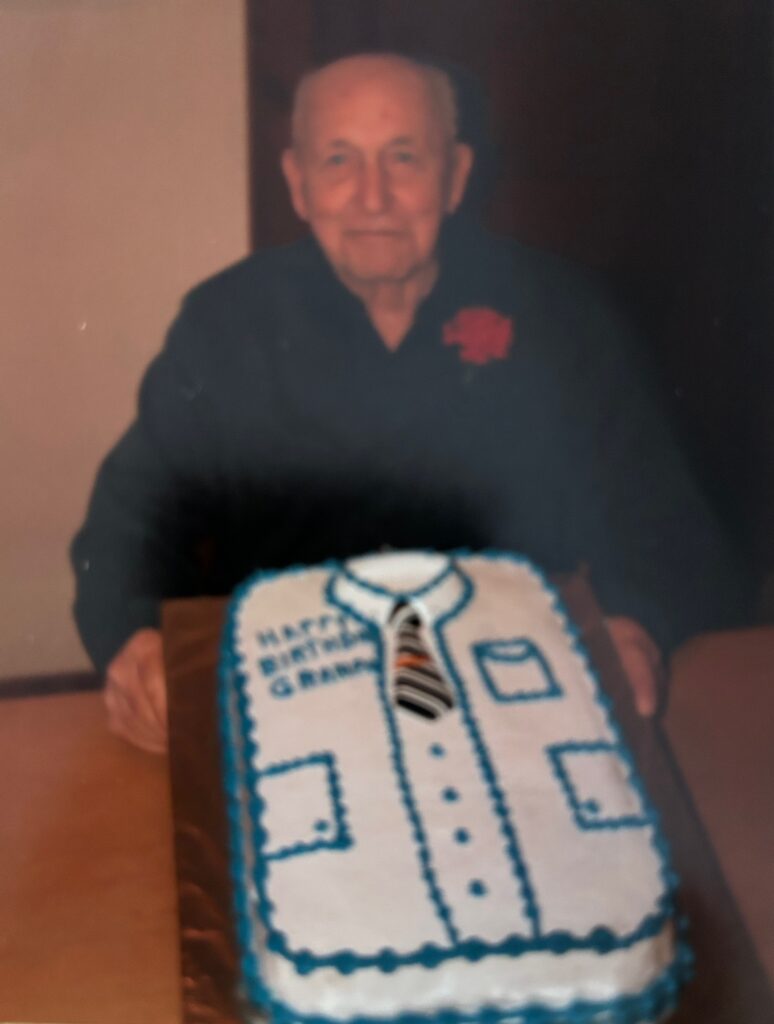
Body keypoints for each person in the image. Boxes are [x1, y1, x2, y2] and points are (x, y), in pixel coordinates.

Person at [71, 53, 747, 754]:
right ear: (297, 184)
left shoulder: (566, 316)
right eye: (338, 160)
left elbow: (672, 534)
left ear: (454, 177)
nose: (372, 197)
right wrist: (133, 639)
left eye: (404, 158)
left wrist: (635, 622)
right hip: (291, 712)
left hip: (523, 710)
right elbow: (127, 527)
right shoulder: (223, 325)